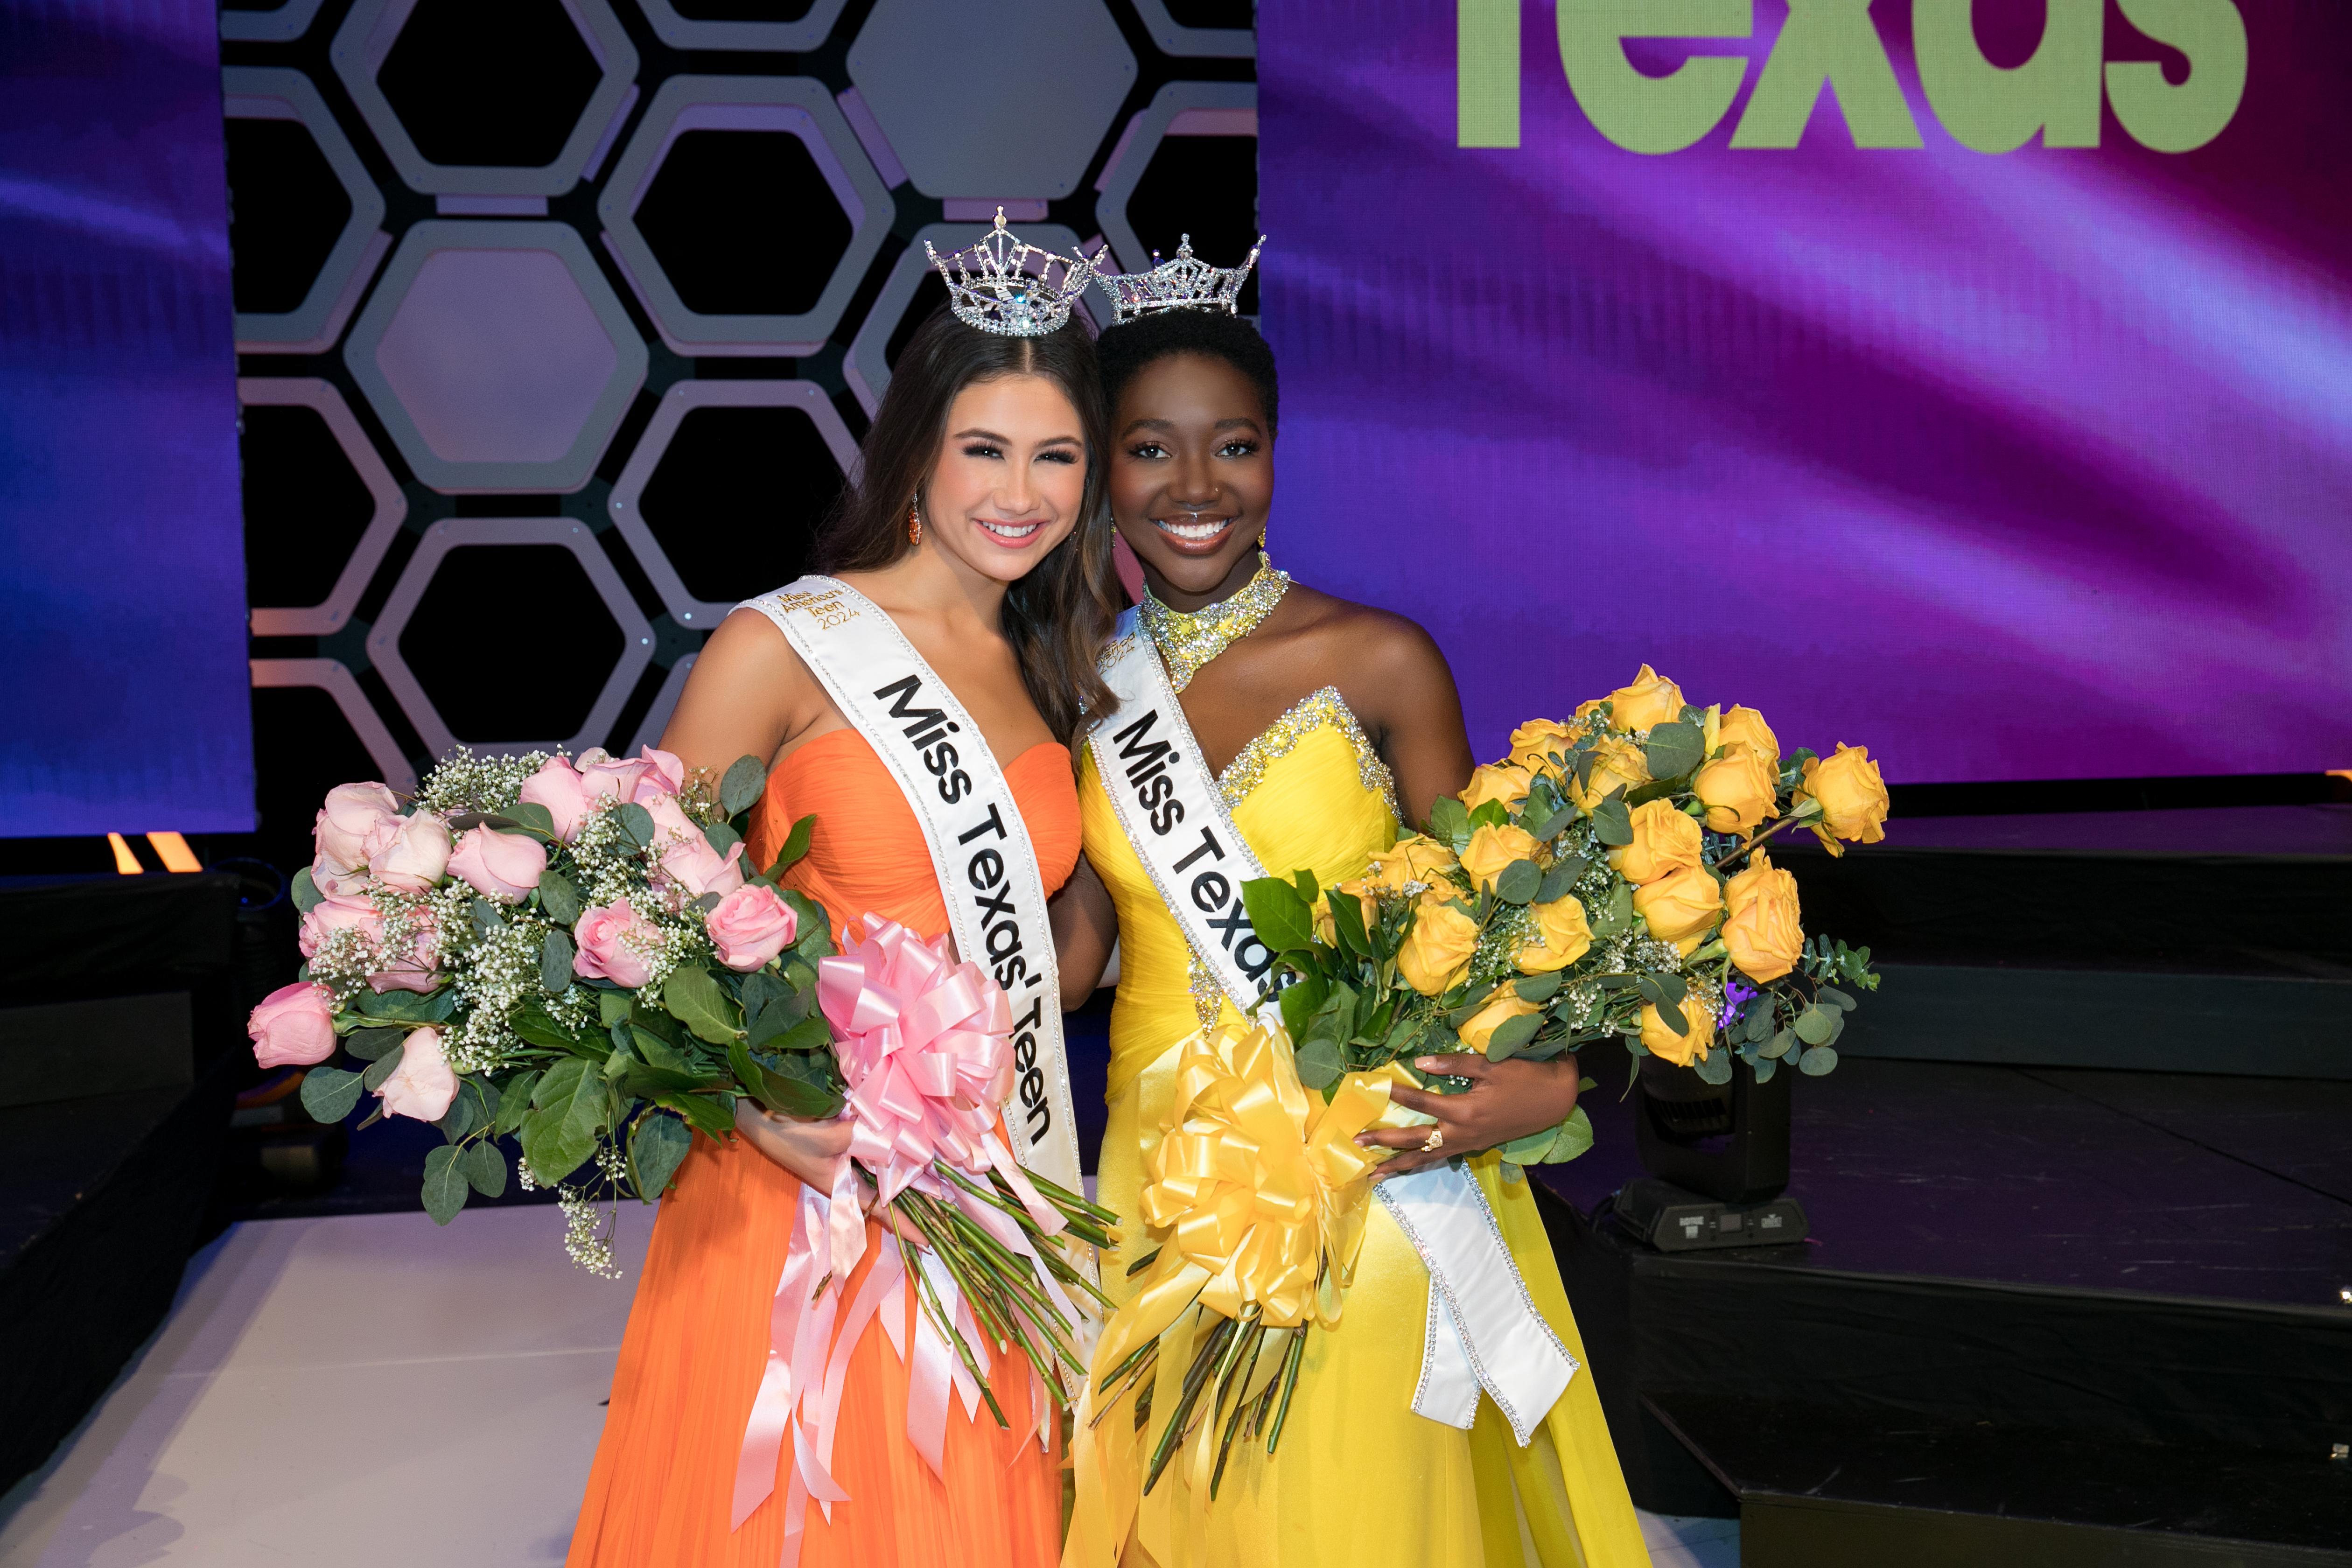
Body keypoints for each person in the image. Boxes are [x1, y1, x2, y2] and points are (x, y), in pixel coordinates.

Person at [1051, 245, 1653, 1565]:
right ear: (1099, 466)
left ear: (1278, 454)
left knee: (1361, 1503)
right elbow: (1083, 958)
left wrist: (1549, 1086)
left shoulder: (1380, 657)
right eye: (1152, 449)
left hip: (1373, 1159)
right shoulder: (1079, 684)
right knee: (1179, 1499)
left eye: (1237, 445)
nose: (1197, 488)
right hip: (1157, 1160)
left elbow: (1506, 920)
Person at [567, 220, 1120, 1568]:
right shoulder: (786, 642)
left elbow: (1073, 904)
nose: (1020, 491)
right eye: (984, 448)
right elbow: (624, 908)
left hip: (993, 1168)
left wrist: (1043, 976)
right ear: (917, 454)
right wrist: (751, 1099)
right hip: (805, 1177)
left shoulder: (1057, 661)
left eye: (1057, 456)